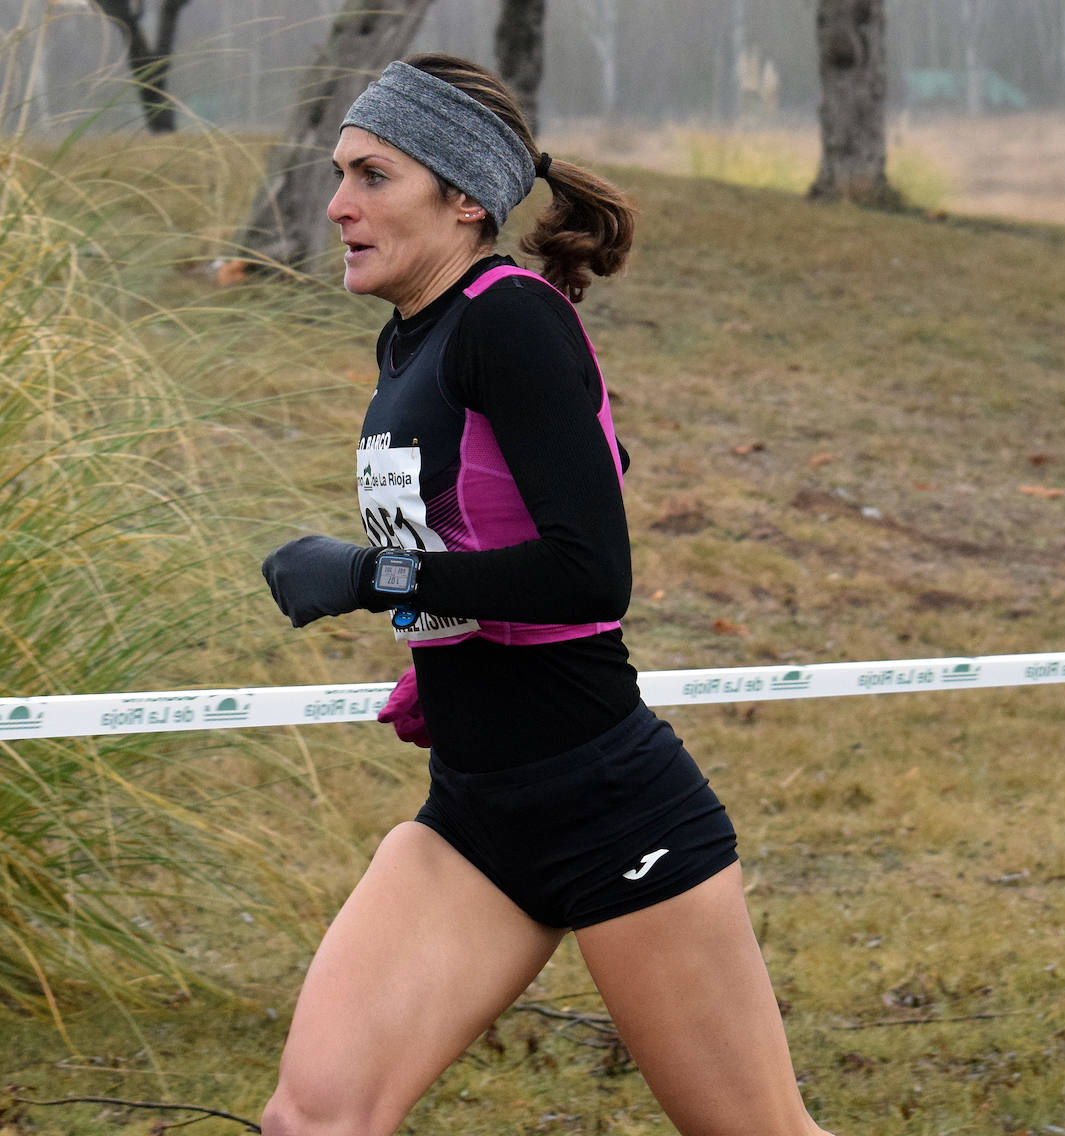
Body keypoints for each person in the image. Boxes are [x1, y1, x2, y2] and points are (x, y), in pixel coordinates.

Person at [259, 53, 835, 1136]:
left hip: (605, 802)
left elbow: (589, 572)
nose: (337, 204)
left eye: (373, 176)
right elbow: (477, 543)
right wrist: (440, 664)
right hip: (478, 809)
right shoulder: (412, 339)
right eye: (340, 174)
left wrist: (364, 573)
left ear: (465, 195)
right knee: (314, 1119)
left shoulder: (509, 318)